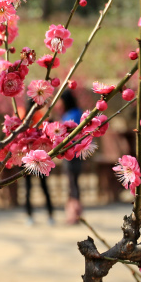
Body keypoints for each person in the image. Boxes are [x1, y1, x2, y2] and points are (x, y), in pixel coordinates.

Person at [58, 90, 85, 225]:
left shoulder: (71, 115)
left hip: (71, 154)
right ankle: (75, 212)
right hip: (75, 153)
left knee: (72, 183)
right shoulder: (77, 112)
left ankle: (73, 213)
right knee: (74, 182)